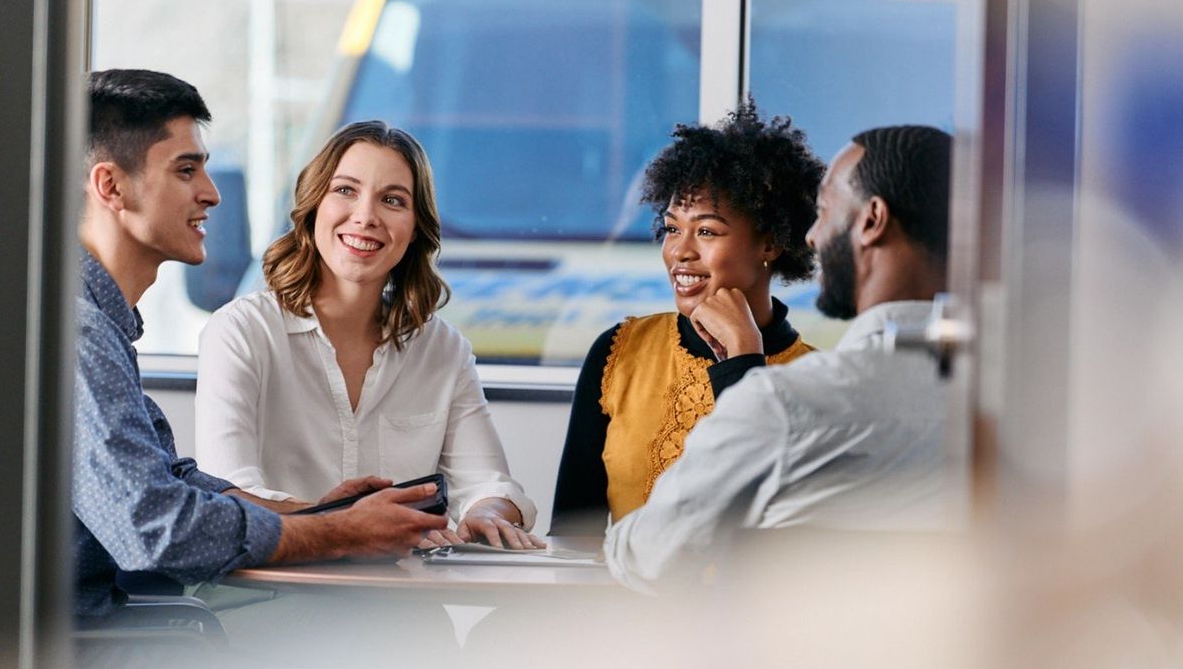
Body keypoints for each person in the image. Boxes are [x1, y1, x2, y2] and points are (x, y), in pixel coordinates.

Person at [0, 70, 450, 631]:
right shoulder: (73, 333)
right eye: (186, 170)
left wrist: (313, 512)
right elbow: (157, 532)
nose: (212, 192)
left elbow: (167, 476)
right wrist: (339, 533)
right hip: (29, 640)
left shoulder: (88, 321)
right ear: (110, 187)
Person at [605, 125, 959, 592]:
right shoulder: (1013, 400)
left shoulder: (786, 401)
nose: (812, 237)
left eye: (826, 211)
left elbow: (652, 555)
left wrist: (743, 372)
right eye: (672, 228)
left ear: (872, 219)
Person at [194, 121, 541, 550]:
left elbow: (488, 482)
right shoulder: (241, 331)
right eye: (345, 190)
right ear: (313, 205)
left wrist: (486, 512)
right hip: (270, 600)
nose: (366, 217)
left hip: (403, 603)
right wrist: (348, 526)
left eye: (392, 200)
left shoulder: (442, 348)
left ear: (415, 228)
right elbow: (228, 494)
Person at [550, 100, 826, 535]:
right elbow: (571, 533)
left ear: (771, 243)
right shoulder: (619, 350)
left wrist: (743, 362)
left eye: (707, 231)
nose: (680, 251)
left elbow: (761, 524)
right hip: (615, 602)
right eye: (673, 227)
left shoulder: (814, 380)